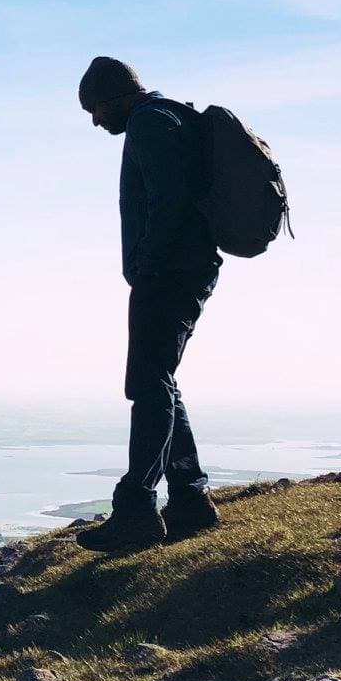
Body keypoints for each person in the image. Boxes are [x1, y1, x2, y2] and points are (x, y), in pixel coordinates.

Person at [74, 56, 221, 551]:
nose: (96, 121)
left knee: (147, 385)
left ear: (118, 96)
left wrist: (146, 262)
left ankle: (136, 509)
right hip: (184, 268)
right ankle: (191, 499)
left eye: (96, 109)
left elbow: (169, 200)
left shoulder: (150, 124)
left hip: (169, 272)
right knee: (160, 380)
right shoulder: (169, 118)